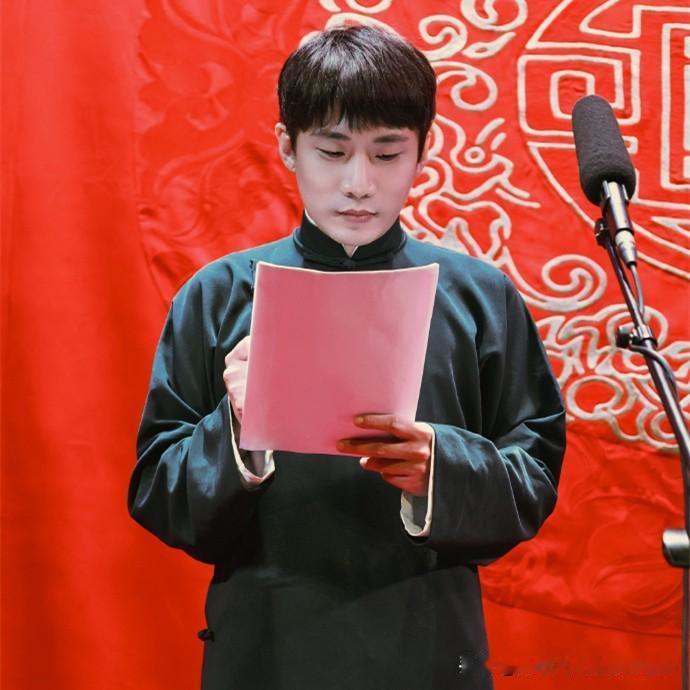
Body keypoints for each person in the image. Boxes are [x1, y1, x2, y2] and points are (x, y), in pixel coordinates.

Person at [128, 25, 566, 690]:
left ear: (424, 150)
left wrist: (440, 466)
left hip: (428, 639)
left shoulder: (480, 297)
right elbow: (156, 491)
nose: (359, 184)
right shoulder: (218, 294)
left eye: (387, 153)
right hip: (266, 644)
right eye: (332, 152)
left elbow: (534, 468)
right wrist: (237, 428)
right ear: (288, 147)